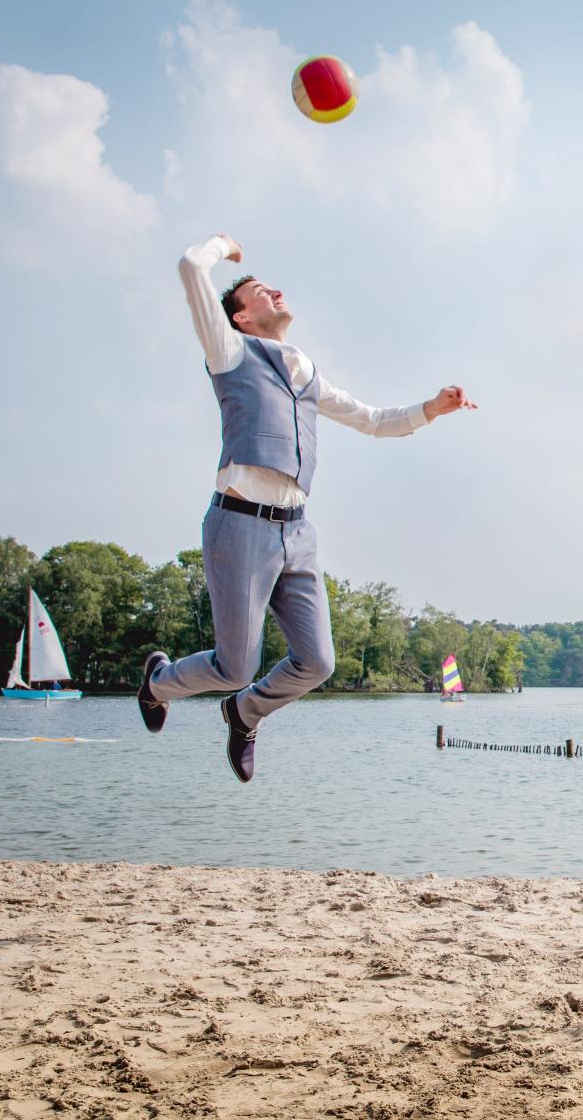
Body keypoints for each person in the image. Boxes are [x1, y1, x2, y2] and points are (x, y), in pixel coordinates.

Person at [138, 233, 476, 781]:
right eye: (257, 291)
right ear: (241, 317)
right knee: (234, 665)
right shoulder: (228, 351)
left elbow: (373, 419)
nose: (273, 291)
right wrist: (223, 245)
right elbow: (187, 266)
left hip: (297, 532)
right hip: (239, 524)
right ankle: (157, 683)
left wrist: (432, 408)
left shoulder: (306, 371)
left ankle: (245, 712)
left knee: (318, 663)